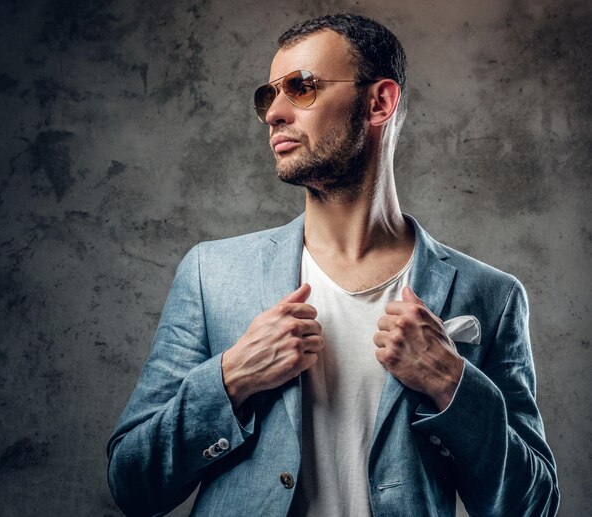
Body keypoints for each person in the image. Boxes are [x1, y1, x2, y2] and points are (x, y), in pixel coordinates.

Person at [107, 13, 559, 517]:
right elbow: (132, 484)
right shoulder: (210, 274)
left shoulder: (491, 296)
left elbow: (532, 506)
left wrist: (453, 384)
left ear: (379, 102)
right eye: (268, 96)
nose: (275, 113)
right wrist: (231, 378)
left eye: (301, 88)